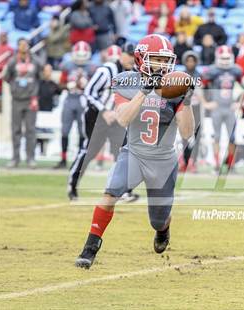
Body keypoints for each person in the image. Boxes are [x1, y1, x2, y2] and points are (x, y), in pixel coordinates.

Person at [74, 34, 195, 269]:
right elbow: (122, 118)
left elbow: (187, 132)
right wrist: (144, 91)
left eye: (165, 60)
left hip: (163, 160)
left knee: (158, 220)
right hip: (134, 154)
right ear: (141, 59)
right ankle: (90, 247)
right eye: (156, 59)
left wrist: (188, 101)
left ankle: (163, 229)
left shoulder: (175, 88)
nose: (161, 66)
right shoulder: (126, 82)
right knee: (110, 194)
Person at [67, 44, 137, 202]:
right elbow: (88, 93)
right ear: (122, 54)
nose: (132, 59)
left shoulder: (133, 74)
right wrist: (104, 111)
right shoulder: (107, 70)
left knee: (123, 152)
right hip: (97, 116)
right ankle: (72, 185)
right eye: (130, 55)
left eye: (135, 56)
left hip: (117, 118)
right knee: (89, 151)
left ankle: (124, 190)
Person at [54, 41, 96, 169]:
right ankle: (63, 159)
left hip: (84, 100)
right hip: (70, 99)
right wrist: (68, 85)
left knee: (82, 131)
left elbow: (95, 85)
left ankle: (79, 159)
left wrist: (86, 86)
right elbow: (60, 84)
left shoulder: (92, 68)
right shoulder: (67, 65)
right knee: (65, 130)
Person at [202, 45, 243, 172]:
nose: (225, 61)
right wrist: (205, 103)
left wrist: (239, 103)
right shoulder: (212, 71)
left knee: (232, 138)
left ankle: (231, 164)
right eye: (223, 58)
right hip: (217, 108)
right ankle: (217, 163)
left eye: (227, 58)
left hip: (230, 108)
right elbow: (200, 87)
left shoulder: (236, 70)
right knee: (217, 137)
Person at [3, 38, 43, 168]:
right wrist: (15, 88)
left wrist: (33, 90)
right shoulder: (13, 61)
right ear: (18, 46)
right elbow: (7, 77)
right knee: (16, 130)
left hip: (31, 100)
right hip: (17, 100)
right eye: (21, 45)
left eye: (26, 45)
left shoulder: (35, 61)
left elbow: (40, 76)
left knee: (31, 130)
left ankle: (30, 158)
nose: (24, 47)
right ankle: (15, 158)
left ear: (29, 46)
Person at [179, 50, 204, 173]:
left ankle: (193, 162)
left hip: (197, 109)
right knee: (184, 135)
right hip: (185, 108)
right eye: (188, 60)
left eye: (192, 61)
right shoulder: (180, 75)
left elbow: (202, 92)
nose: (190, 63)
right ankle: (184, 160)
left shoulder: (199, 76)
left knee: (197, 136)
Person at [0, 32, 14, 102]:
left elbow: (12, 62)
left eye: (4, 36)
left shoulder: (10, 49)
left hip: (6, 71)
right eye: (1, 36)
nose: (2, 38)